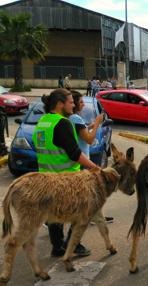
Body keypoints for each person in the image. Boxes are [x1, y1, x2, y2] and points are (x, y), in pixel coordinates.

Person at [34, 88, 99, 258]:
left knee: (54, 214)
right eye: (70, 102)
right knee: (81, 213)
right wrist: (95, 167)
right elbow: (75, 153)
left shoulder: (42, 122)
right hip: (67, 180)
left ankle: (57, 247)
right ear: (60, 104)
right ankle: (73, 244)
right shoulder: (63, 123)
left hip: (46, 178)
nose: (73, 105)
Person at [69, 90, 114, 224]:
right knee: (91, 191)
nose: (83, 104)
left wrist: (90, 126)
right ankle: (89, 217)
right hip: (83, 159)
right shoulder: (76, 118)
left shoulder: (71, 119)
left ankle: (93, 216)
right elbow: (88, 139)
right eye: (80, 101)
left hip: (79, 158)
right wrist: (97, 123)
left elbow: (80, 133)